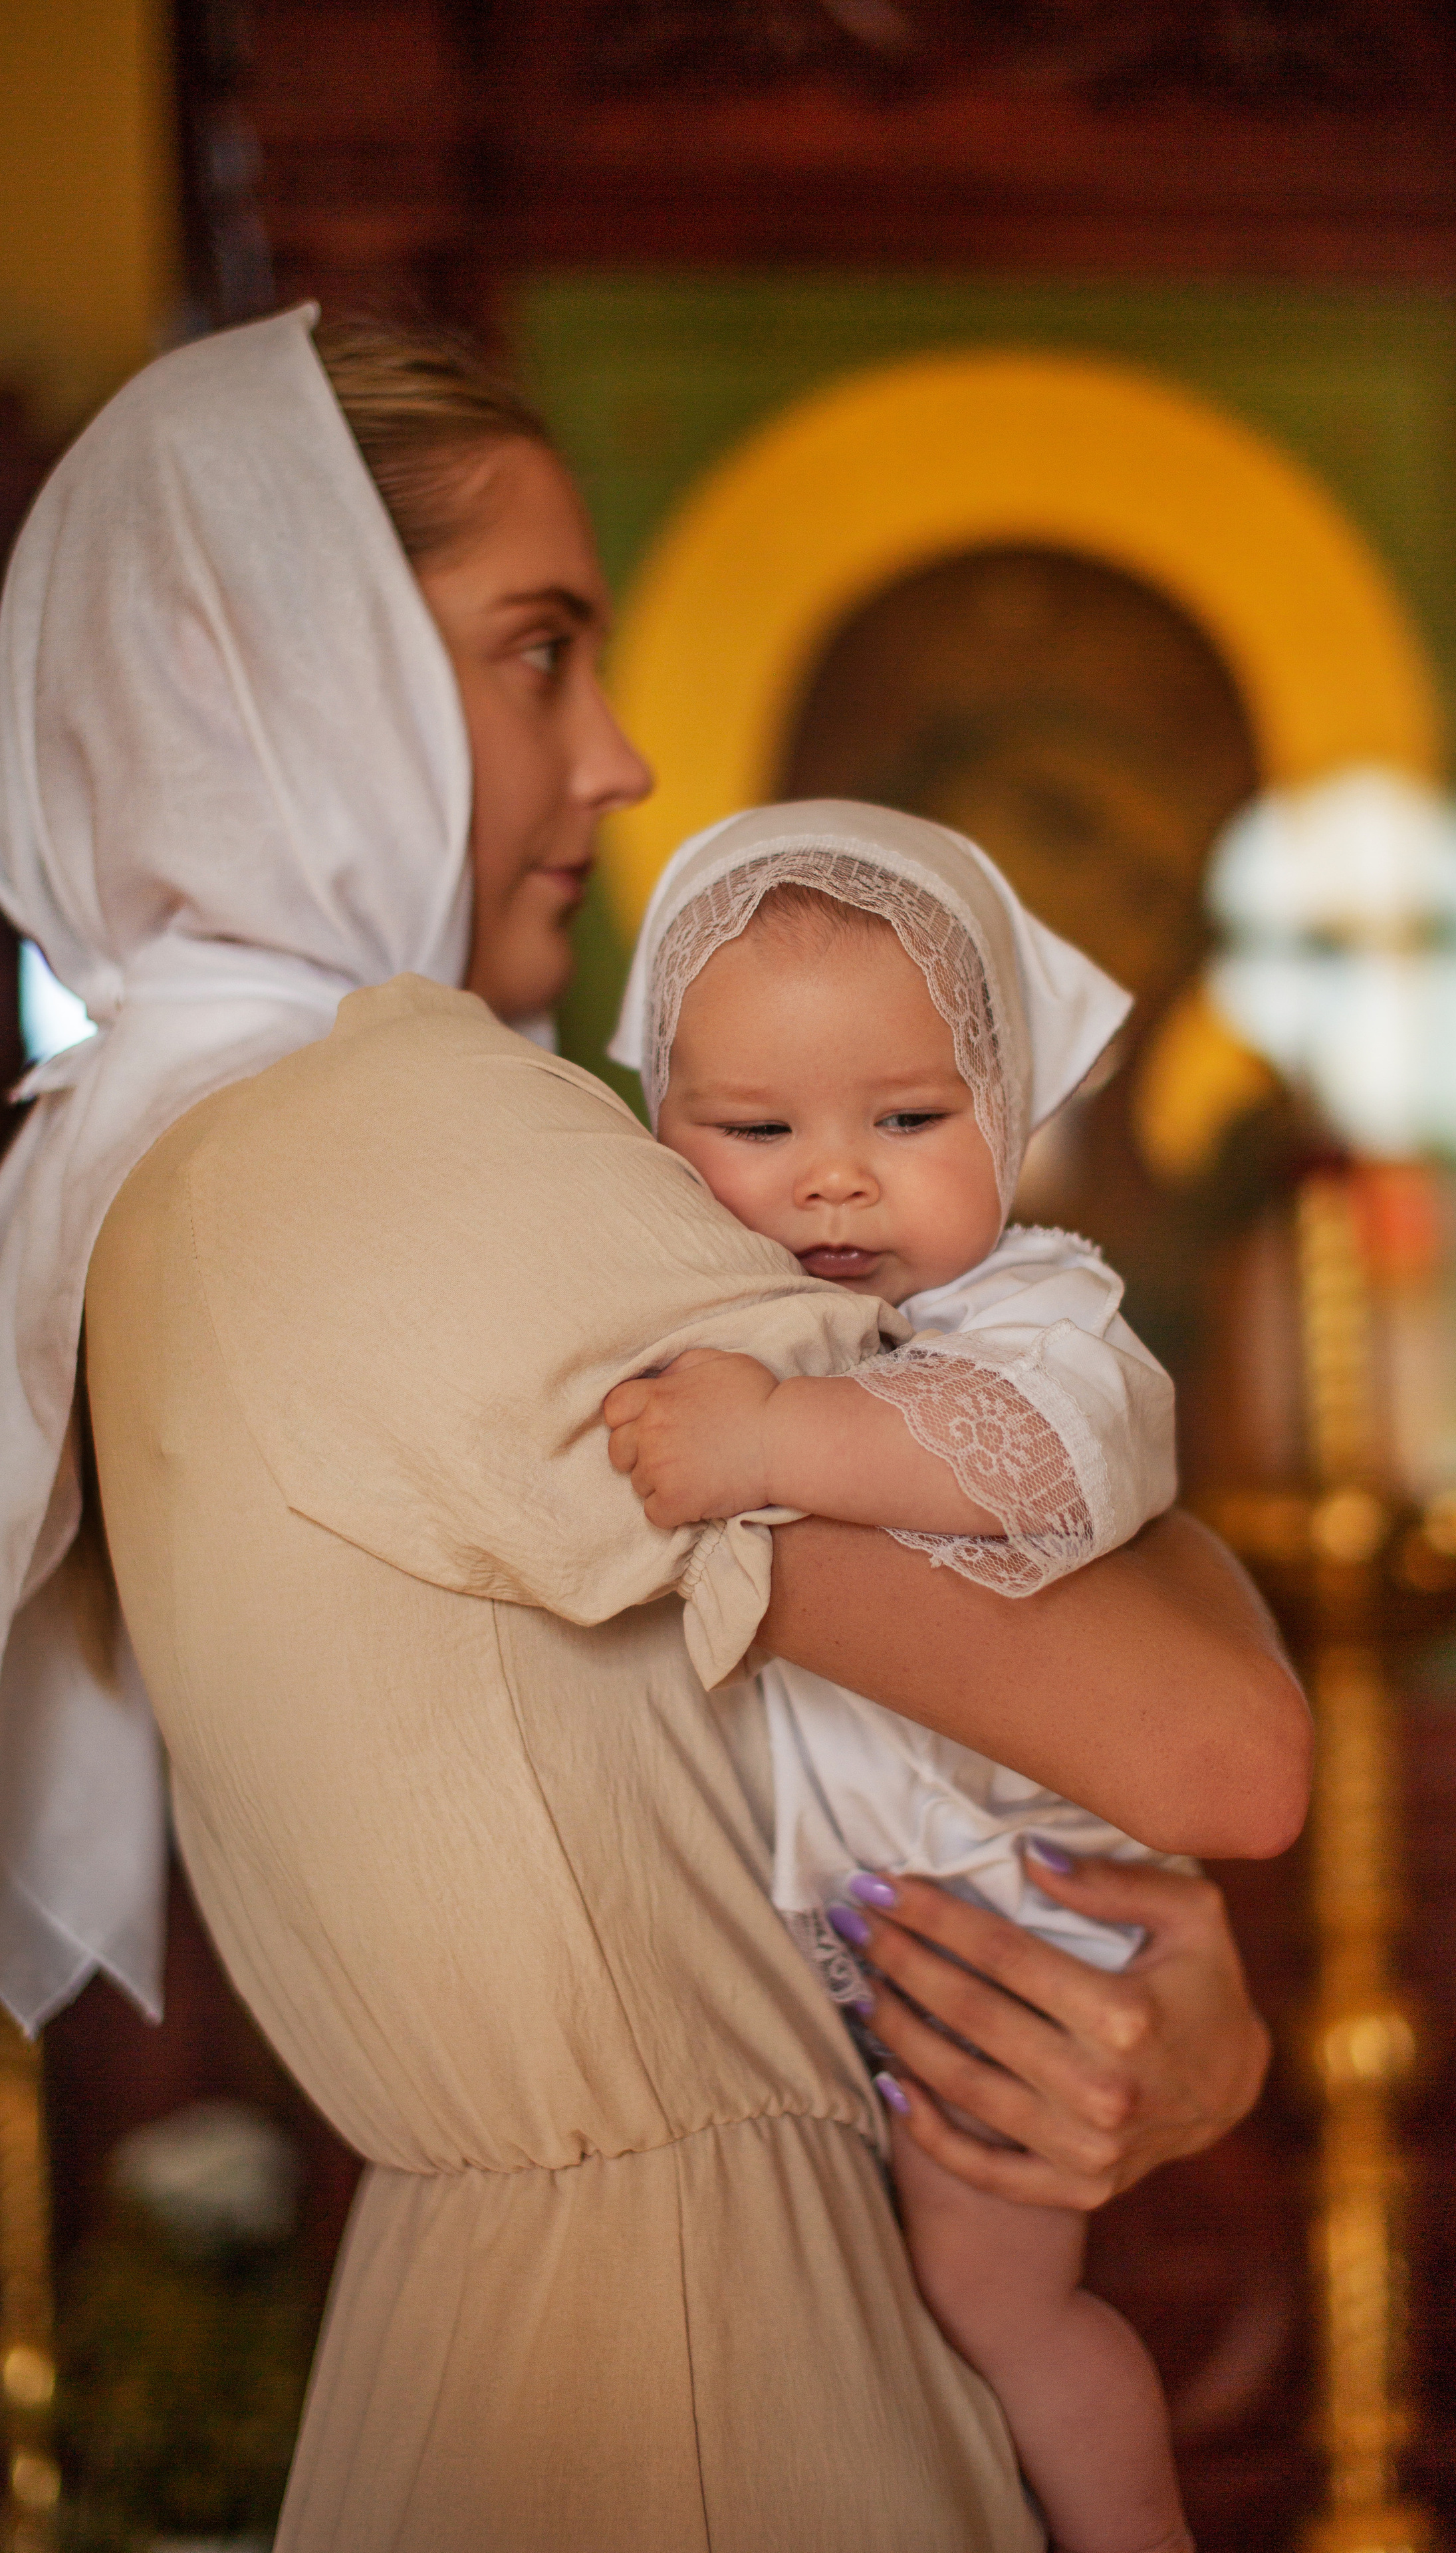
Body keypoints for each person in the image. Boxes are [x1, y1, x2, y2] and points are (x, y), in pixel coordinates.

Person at [0, 308, 1307, 2548]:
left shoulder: (161, 1169)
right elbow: (1219, 1747)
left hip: (536, 2339)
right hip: (721, 2378)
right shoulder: (404, 1145)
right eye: (538, 657)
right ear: (292, 676)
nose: (614, 762)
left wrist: (1111, 2033)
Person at [601, 800, 1253, 2553]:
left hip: (1002, 1914)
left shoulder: (1043, 1320)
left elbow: (1044, 1464)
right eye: (756, 1125)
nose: (834, 1175)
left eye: (908, 1118)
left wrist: (774, 1441)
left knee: (996, 2307)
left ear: (1014, 1112)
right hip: (816, 1923)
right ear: (662, 1126)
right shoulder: (697, 1319)